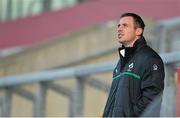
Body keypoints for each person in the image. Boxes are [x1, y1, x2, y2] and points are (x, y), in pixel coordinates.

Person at [103, 13, 165, 117]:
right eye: (119, 26)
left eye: (125, 25)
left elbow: (152, 99)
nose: (119, 29)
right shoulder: (121, 63)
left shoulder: (150, 58)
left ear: (138, 31)